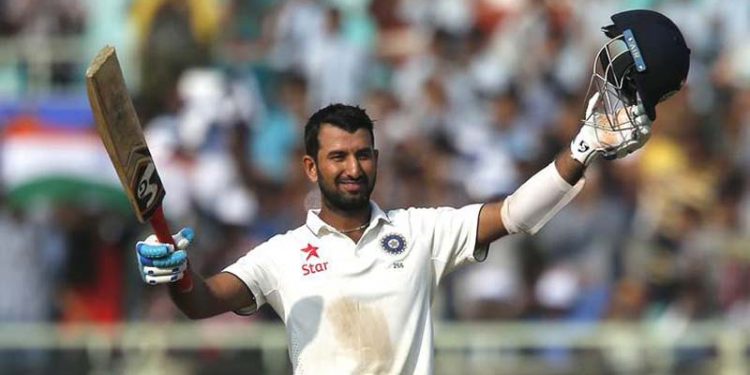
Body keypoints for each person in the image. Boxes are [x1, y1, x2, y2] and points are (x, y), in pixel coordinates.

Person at [135, 9, 690, 374]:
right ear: (310, 167)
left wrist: (582, 150)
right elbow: (203, 301)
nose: (353, 168)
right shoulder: (281, 255)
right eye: (337, 157)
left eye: (363, 154)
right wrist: (176, 273)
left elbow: (516, 216)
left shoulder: (418, 231)